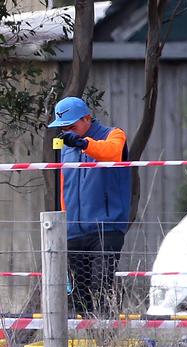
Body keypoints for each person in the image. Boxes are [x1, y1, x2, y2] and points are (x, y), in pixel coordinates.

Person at [48, 96, 131, 315]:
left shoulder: (114, 135)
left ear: (87, 118)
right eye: (64, 128)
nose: (68, 131)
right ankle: (88, 340)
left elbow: (111, 152)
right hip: (74, 230)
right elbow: (64, 187)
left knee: (101, 285)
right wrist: (65, 222)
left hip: (107, 226)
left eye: (72, 126)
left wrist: (84, 144)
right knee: (79, 293)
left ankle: (106, 338)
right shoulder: (67, 147)